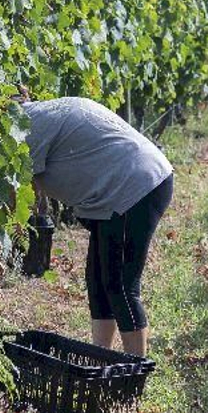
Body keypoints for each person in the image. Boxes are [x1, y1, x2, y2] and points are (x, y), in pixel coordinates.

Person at [21, 96, 174, 358]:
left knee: (121, 285)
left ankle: (134, 373)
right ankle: (102, 358)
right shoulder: (38, 114)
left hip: (133, 186)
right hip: (119, 187)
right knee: (98, 280)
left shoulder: (29, 129)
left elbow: (22, 192)